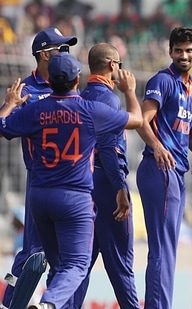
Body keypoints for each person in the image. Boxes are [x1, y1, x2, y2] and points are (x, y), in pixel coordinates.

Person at [0, 53, 143, 309]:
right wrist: (130, 92)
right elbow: (136, 120)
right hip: (74, 198)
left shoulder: (36, 109)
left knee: (58, 264)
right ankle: (47, 304)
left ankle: (40, 302)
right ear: (75, 80)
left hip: (39, 198)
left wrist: (10, 103)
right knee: (77, 264)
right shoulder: (89, 108)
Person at [0, 26, 78, 309]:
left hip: (70, 182)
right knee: (34, 254)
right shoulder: (27, 91)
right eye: (60, 49)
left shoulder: (69, 84)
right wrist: (9, 105)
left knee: (64, 256)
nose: (65, 53)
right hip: (40, 180)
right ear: (44, 54)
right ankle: (9, 304)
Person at [136, 26, 192, 309]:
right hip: (160, 169)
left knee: (167, 249)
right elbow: (143, 120)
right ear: (170, 51)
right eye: (178, 50)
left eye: (189, 50)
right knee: (163, 250)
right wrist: (157, 146)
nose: (183, 55)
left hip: (176, 173)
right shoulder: (162, 81)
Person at [71, 43, 141, 308]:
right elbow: (109, 149)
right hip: (106, 184)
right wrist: (120, 188)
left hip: (82, 187)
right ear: (113, 65)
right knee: (121, 266)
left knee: (80, 266)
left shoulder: (78, 98)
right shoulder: (109, 99)